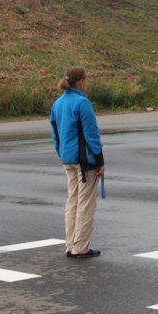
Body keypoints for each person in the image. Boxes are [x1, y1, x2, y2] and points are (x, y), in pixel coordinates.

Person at [50, 67, 105, 258]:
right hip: (85, 161)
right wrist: (99, 160)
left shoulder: (57, 103)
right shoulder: (82, 103)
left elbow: (55, 134)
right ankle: (81, 247)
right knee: (85, 203)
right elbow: (92, 134)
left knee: (72, 201)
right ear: (81, 82)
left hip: (67, 159)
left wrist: (62, 153)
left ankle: (70, 245)